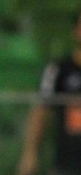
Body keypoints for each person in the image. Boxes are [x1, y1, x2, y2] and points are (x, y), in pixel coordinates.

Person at [17, 11, 81, 175]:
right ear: (75, 30)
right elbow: (40, 111)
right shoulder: (58, 69)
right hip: (67, 164)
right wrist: (30, 152)